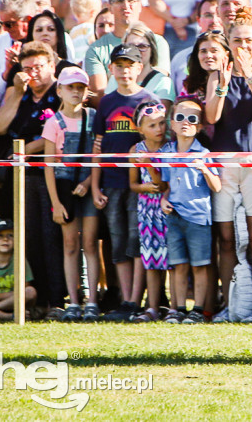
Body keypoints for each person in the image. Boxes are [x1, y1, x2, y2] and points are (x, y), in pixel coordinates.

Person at [205, 7, 252, 322]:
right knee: (225, 238)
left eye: (249, 40)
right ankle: (230, 304)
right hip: (224, 165)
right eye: (237, 40)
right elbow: (211, 117)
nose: (243, 46)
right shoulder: (216, 74)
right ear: (228, 41)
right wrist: (223, 83)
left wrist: (250, 74)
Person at [0, 42, 64, 312]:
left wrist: (24, 151)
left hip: (50, 174)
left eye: (39, 67)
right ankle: (37, 300)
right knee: (28, 237)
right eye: (27, 68)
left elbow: (59, 132)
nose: (33, 73)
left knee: (50, 236)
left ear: (52, 67)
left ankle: (57, 300)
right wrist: (16, 93)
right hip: (18, 174)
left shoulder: (60, 92)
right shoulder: (19, 93)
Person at [91, 44, 162, 321]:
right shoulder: (106, 102)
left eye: (129, 65)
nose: (124, 71)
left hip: (140, 186)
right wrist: (95, 186)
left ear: (139, 68)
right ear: (111, 69)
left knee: (137, 241)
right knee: (118, 241)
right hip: (110, 183)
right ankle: (124, 299)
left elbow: (156, 143)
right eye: (119, 66)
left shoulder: (149, 100)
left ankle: (136, 298)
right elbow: (96, 148)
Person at [42, 67, 99, 323]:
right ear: (60, 90)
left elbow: (99, 157)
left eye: (80, 87)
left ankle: (92, 301)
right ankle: (73, 301)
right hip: (64, 187)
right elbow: (49, 165)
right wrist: (55, 202)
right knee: (69, 244)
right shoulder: (53, 122)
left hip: (89, 184)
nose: (76, 92)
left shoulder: (93, 117)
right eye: (70, 87)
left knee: (90, 242)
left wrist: (88, 182)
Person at [155, 99, 220, 325]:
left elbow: (217, 186)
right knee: (178, 265)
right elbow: (167, 186)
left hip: (199, 217)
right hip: (174, 216)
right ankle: (179, 309)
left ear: (199, 126)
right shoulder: (166, 153)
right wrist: (163, 200)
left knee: (200, 265)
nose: (185, 123)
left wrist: (205, 169)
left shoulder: (203, 153)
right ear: (171, 124)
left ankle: (198, 310)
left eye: (192, 119)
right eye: (180, 118)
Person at [84, 0, 170, 98]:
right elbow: (101, 94)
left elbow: (159, 83)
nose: (125, 6)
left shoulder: (158, 42)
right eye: (119, 1)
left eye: (131, 1)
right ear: (109, 7)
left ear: (140, 6)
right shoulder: (96, 49)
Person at [128, 101, 170, 323]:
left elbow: (163, 184)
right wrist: (145, 187)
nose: (159, 129)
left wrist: (151, 170)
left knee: (171, 258)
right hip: (146, 210)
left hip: (168, 208)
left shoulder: (172, 148)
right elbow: (133, 184)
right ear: (140, 128)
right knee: (151, 258)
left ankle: (174, 305)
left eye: (162, 123)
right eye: (152, 125)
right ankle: (153, 307)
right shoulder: (136, 151)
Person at [0, 0, 37, 109]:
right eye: (1, 23)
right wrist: (6, 73)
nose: (5, 29)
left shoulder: (50, 38)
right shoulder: (0, 42)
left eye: (9, 24)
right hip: (8, 113)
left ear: (27, 20)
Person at [0, 220, 36, 321]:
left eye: (10, 235)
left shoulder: (20, 260)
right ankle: (9, 316)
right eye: (0, 236)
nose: (5, 239)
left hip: (15, 301)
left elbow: (26, 288)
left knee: (30, 292)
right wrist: (8, 295)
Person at [122, 23, 175, 102]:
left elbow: (160, 113)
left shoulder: (162, 81)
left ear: (152, 50)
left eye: (142, 46)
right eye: (131, 46)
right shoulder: (116, 77)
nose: (137, 51)